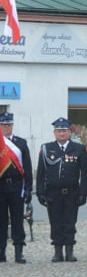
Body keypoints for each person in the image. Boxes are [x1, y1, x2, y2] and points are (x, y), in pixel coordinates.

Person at [36, 117, 87, 262]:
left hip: (72, 192)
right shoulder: (47, 148)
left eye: (64, 131)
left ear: (69, 132)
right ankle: (57, 251)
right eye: (59, 131)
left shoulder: (78, 149)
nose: (61, 134)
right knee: (55, 222)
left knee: (70, 222)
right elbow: (40, 173)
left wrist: (83, 193)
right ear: (54, 133)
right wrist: (40, 192)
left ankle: (70, 250)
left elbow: (85, 173)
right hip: (53, 192)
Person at [0, 112, 32, 264]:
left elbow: (27, 167)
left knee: (17, 220)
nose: (6, 127)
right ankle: (1, 252)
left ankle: (19, 251)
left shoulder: (21, 143)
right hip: (1, 186)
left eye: (9, 124)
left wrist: (28, 189)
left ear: (12, 125)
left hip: (16, 185)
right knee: (1, 221)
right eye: (4, 125)